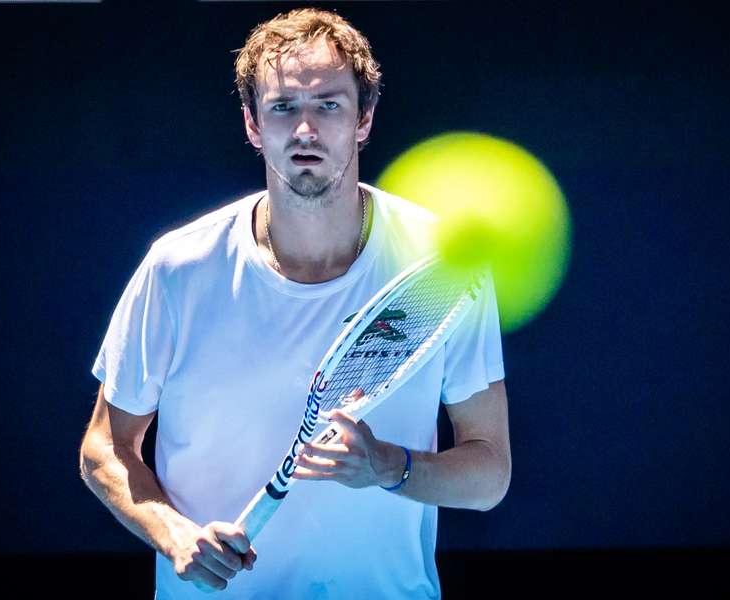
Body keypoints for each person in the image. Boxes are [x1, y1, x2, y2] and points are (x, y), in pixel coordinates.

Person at [80, 8, 511, 599]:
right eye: (284, 107)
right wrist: (174, 535)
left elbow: (489, 473)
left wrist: (390, 467)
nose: (305, 129)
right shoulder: (176, 269)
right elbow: (104, 448)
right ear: (254, 125)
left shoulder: (442, 263)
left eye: (328, 105)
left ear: (363, 119)